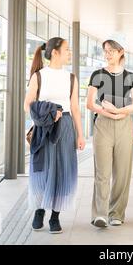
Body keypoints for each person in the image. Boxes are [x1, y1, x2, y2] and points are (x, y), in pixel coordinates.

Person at [24, 37, 85, 234]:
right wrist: (49, 112)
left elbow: (75, 107)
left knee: (62, 169)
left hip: (66, 127)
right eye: (67, 49)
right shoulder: (38, 76)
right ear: (55, 52)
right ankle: (39, 211)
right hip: (44, 128)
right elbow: (28, 104)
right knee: (43, 168)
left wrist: (81, 134)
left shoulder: (71, 78)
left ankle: (55, 217)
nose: (70, 53)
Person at [87, 39, 133, 228]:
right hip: (103, 125)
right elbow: (90, 103)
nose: (108, 54)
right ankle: (99, 214)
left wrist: (118, 112)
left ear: (120, 52)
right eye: (105, 51)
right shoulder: (97, 75)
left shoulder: (131, 77)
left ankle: (116, 213)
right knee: (102, 172)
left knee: (122, 172)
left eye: (111, 51)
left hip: (124, 124)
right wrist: (107, 112)